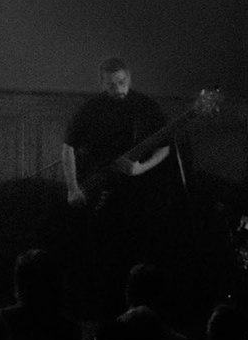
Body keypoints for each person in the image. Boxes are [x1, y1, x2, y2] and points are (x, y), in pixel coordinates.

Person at [62, 58, 176, 321]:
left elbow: (165, 148)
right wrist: (72, 188)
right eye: (112, 85)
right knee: (100, 256)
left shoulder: (145, 107)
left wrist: (140, 168)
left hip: (137, 197)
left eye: (122, 83)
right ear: (102, 83)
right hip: (99, 193)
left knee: (136, 255)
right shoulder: (91, 108)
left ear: (129, 78)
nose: (118, 89)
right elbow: (68, 147)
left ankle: (138, 313)